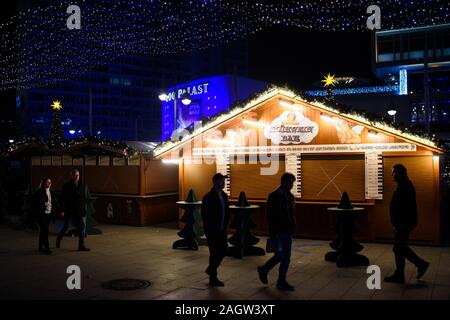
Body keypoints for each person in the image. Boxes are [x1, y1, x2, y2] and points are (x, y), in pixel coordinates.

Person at [384, 164, 429, 284]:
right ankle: (401, 274)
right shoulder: (403, 185)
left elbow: (404, 208)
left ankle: (420, 264)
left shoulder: (405, 186)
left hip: (404, 223)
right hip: (403, 223)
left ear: (400, 173)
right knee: (399, 248)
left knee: (398, 247)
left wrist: (399, 225)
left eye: (394, 172)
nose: (392, 175)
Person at [257, 172, 296, 291]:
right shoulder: (273, 196)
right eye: (290, 182)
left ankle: (281, 281)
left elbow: (291, 213)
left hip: (287, 231)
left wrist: (293, 225)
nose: (291, 185)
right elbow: (270, 215)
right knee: (280, 256)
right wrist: (272, 231)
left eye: (292, 183)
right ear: (283, 182)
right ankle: (264, 270)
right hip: (278, 231)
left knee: (286, 257)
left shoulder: (290, 197)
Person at [201, 173, 230, 287]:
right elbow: (205, 215)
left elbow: (226, 212)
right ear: (215, 182)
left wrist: (226, 225)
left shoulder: (224, 196)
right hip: (212, 231)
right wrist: (210, 229)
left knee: (224, 249)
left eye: (224, 181)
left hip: (222, 230)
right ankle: (213, 278)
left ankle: (210, 269)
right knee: (214, 253)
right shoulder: (208, 197)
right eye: (221, 181)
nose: (223, 183)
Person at [56, 169, 90, 251]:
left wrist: (83, 208)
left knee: (82, 227)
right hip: (69, 209)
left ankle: (81, 245)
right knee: (66, 227)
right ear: (71, 176)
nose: (77, 177)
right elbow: (62, 199)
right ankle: (58, 240)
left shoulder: (82, 185)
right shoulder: (66, 186)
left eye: (78, 175)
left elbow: (82, 197)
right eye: (75, 175)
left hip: (79, 210)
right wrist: (62, 210)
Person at [33, 177, 58, 255]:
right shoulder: (39, 192)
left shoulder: (52, 192)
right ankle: (47, 248)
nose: (49, 184)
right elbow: (34, 203)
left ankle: (40, 247)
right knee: (45, 231)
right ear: (43, 183)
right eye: (47, 182)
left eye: (50, 182)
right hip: (42, 214)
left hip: (49, 214)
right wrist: (42, 204)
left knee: (43, 231)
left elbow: (55, 203)